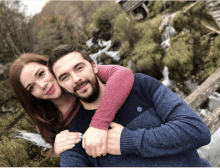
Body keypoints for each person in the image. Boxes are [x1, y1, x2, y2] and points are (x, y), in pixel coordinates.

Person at [48, 44, 211, 167]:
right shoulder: (77, 132)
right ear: (61, 86)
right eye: (65, 77)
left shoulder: (140, 85)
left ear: (94, 66)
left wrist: (129, 141)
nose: (76, 79)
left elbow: (197, 131)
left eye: (79, 68)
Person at [9, 53, 134, 157]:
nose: (42, 85)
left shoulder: (79, 75)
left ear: (51, 67)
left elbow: (123, 74)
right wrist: (58, 150)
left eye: (41, 74)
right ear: (31, 96)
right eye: (32, 87)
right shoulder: (46, 122)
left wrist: (98, 125)